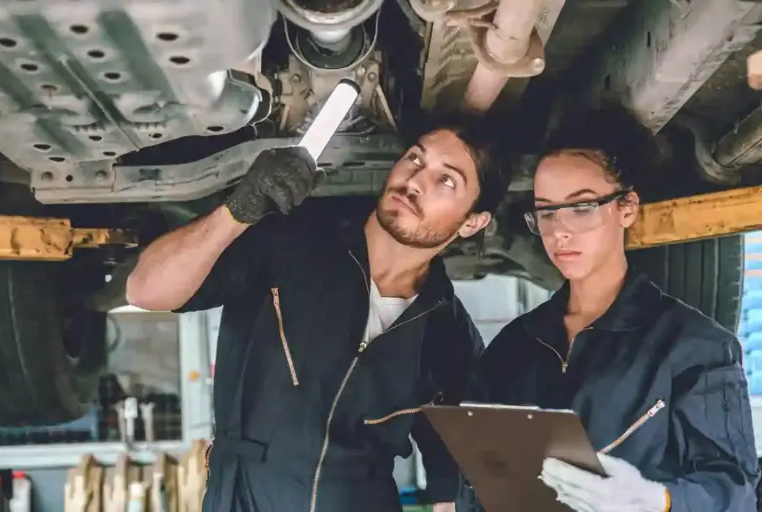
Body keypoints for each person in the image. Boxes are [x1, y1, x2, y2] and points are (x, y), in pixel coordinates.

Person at [126, 115, 508, 512]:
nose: (415, 181)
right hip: (244, 497)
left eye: (446, 180)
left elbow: (451, 475)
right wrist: (236, 211)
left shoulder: (448, 333)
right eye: (415, 159)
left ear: (473, 222)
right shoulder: (292, 241)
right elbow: (145, 290)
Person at [456, 105, 760, 512]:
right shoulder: (511, 349)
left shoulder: (694, 347)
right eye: (546, 210)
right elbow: (477, 484)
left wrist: (658, 501)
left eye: (581, 207)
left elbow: (734, 490)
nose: (559, 229)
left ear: (627, 208)